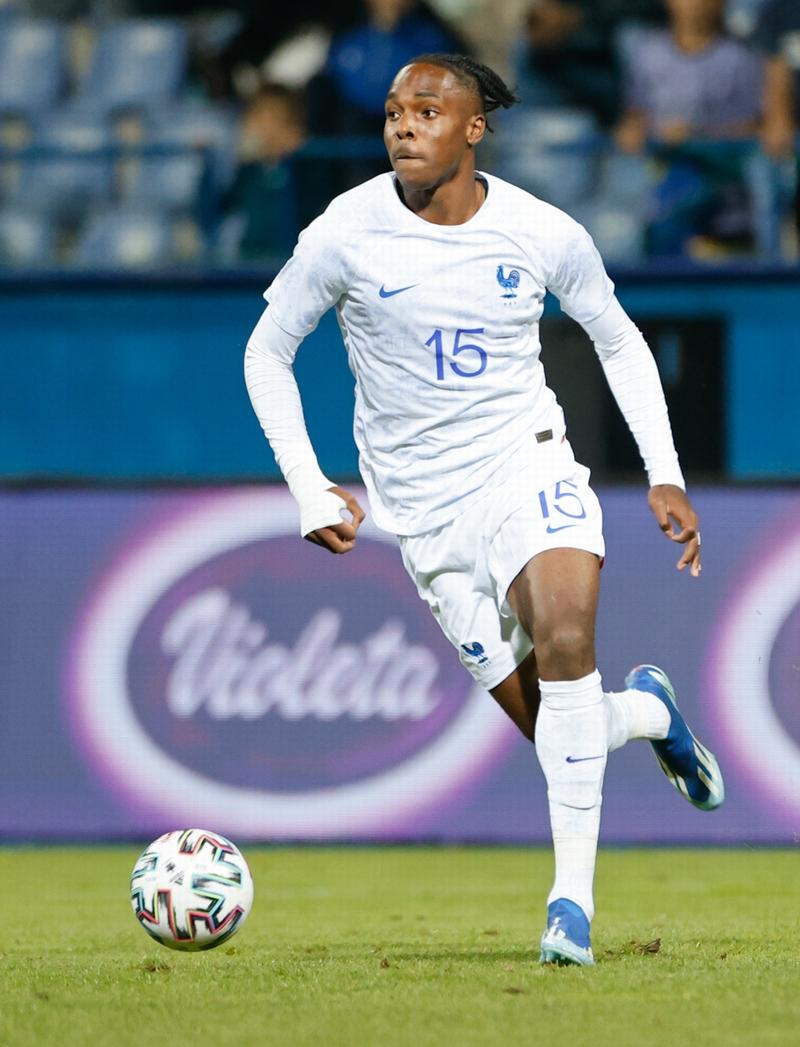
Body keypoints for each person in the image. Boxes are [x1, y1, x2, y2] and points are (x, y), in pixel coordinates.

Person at [243, 53, 725, 966]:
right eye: (394, 110)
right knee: (559, 730)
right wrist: (308, 484)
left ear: (473, 128)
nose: (403, 125)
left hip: (524, 466)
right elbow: (266, 353)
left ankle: (569, 908)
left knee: (568, 636)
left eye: (427, 110)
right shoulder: (344, 232)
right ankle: (650, 714)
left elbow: (619, 340)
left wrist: (664, 472)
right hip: (425, 514)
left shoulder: (541, 231)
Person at [614, 0, 764, 256]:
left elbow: (753, 128)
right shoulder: (646, 54)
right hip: (656, 171)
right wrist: (632, 130)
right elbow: (635, 114)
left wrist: (695, 135)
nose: (695, 5)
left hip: (718, 176)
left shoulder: (741, 58)